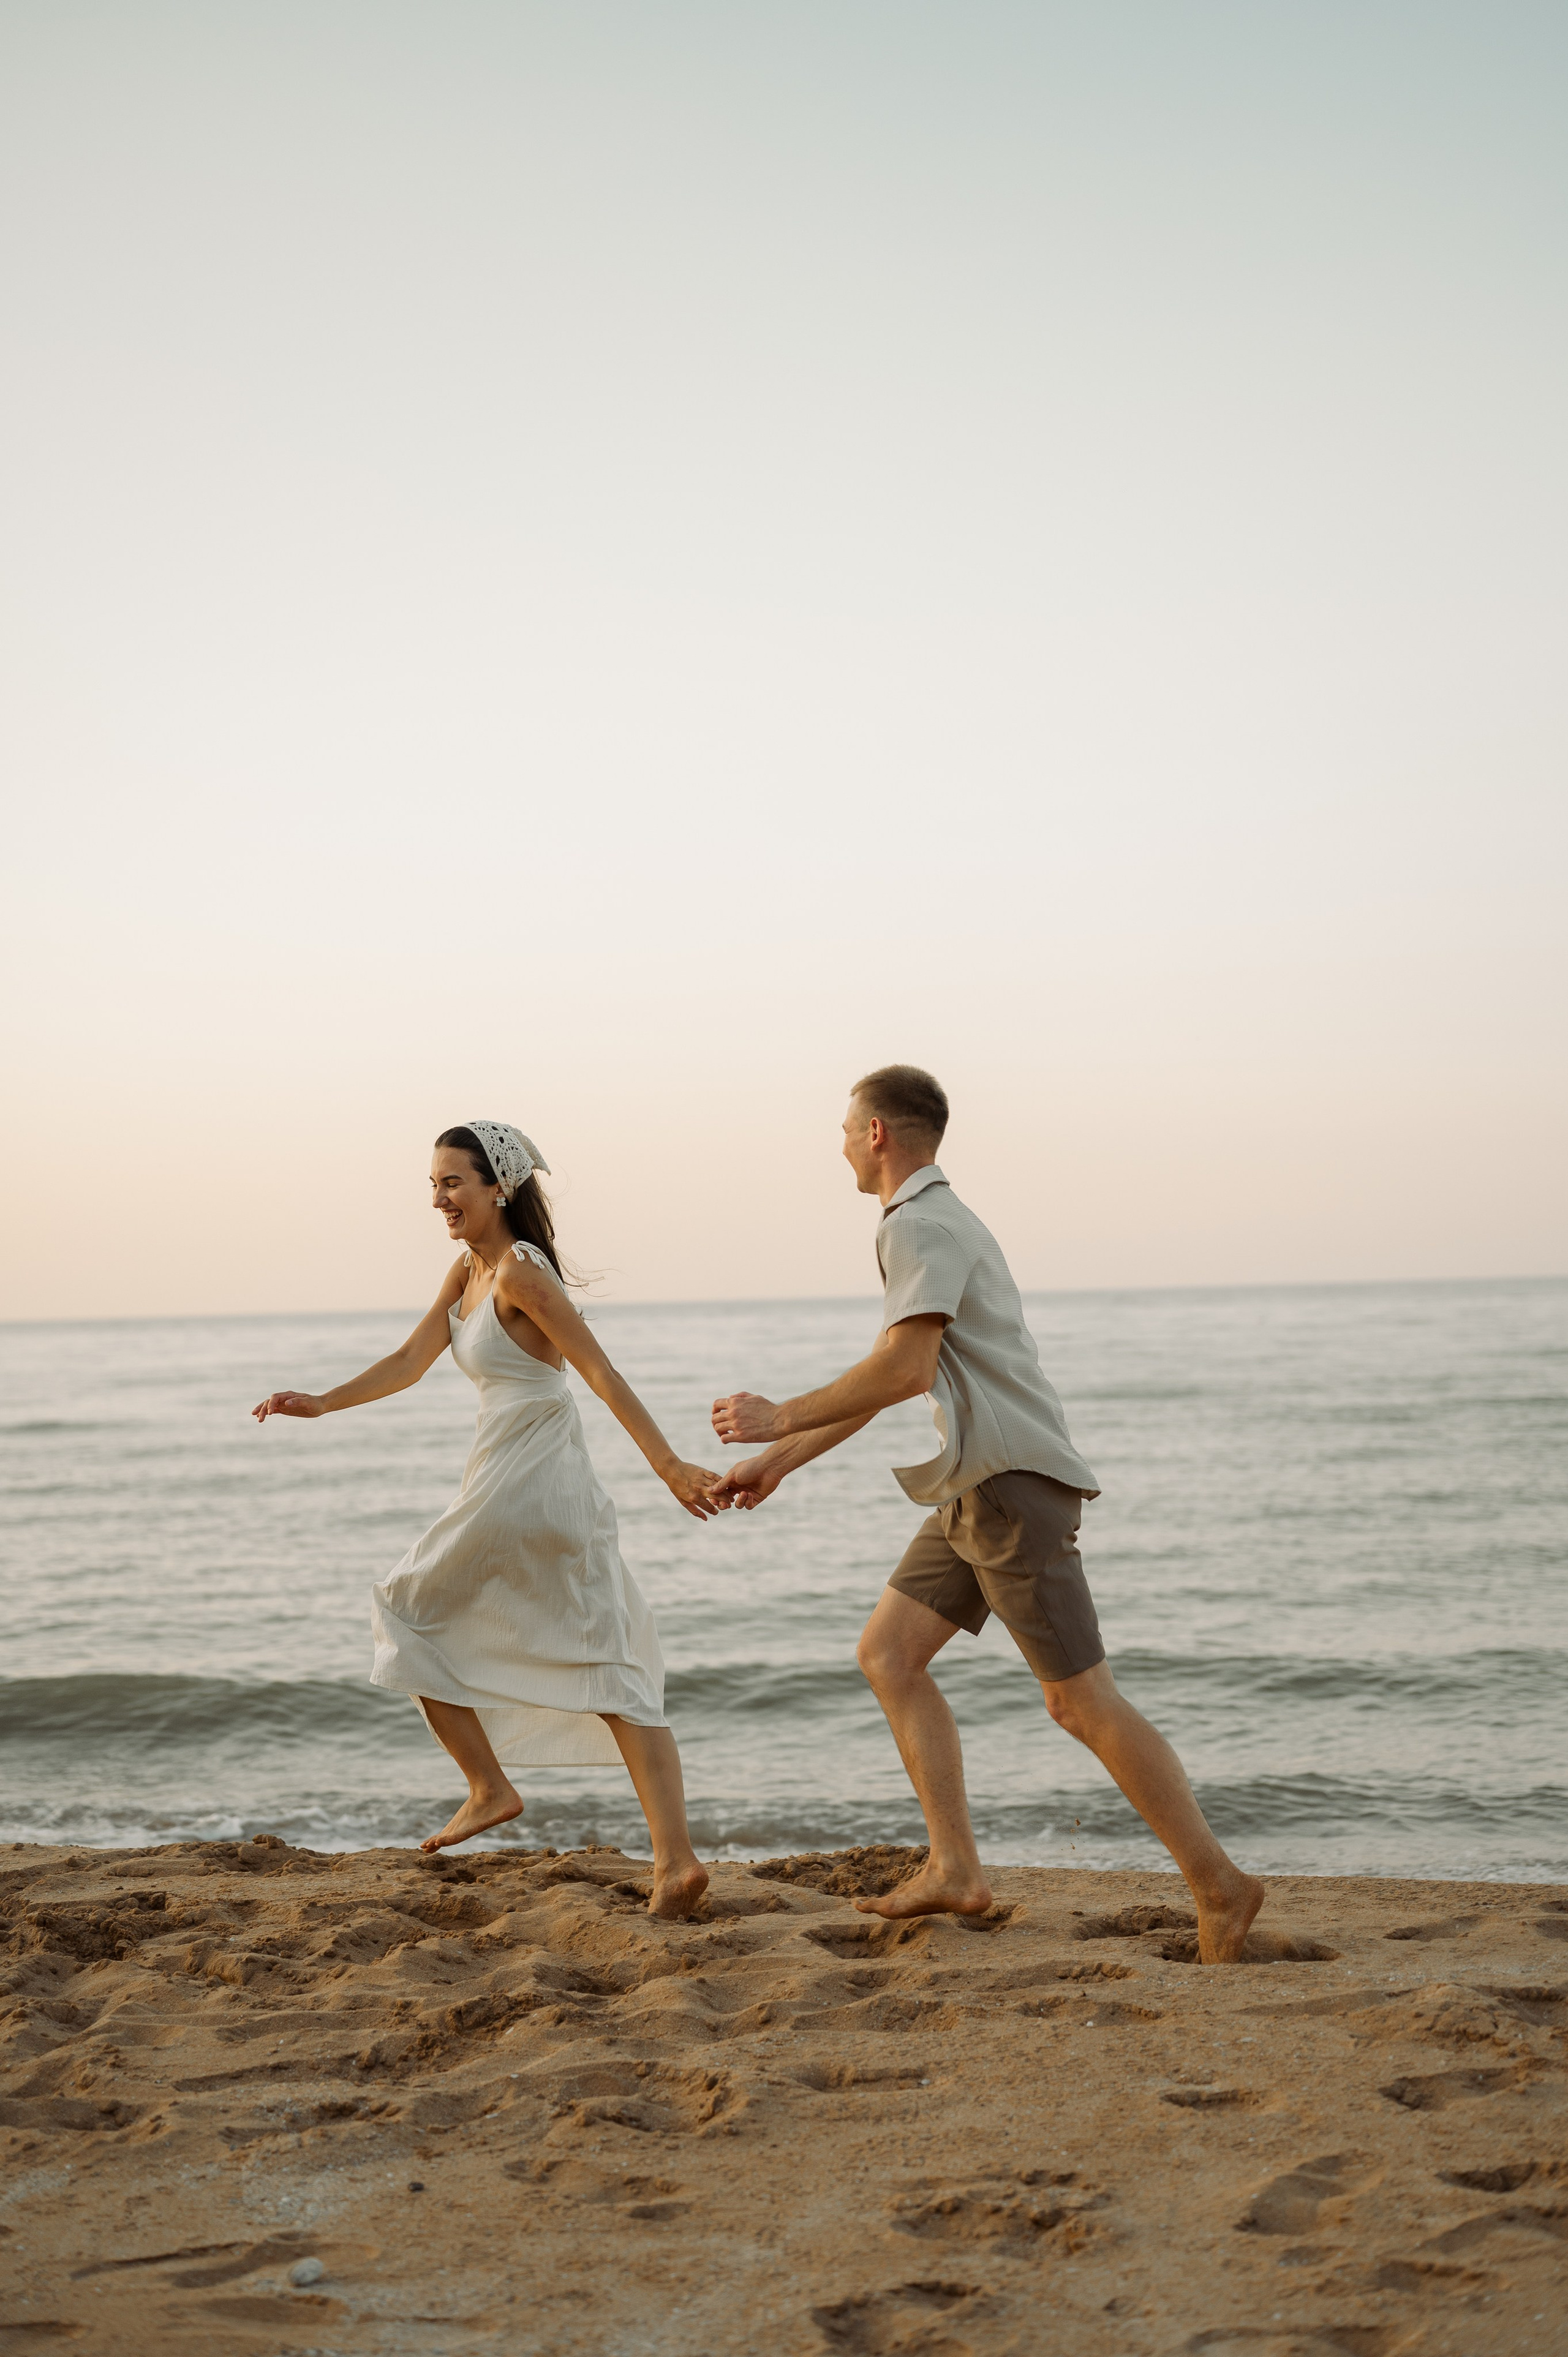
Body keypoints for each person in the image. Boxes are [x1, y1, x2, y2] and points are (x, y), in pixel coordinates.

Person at [710, 1066, 1264, 1963]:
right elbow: (900, 1368)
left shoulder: (920, 1222)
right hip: (978, 1482)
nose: (842, 1145)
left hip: (1006, 1485)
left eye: (847, 1129)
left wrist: (779, 1414)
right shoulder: (934, 1220)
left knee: (1080, 1703)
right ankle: (956, 1869)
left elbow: (903, 1374)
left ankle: (1221, 1886)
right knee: (889, 1655)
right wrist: (776, 1461)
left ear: (879, 1133)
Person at [254, 1119, 718, 1915]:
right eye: (433, 1185)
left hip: (532, 1477)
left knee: (406, 1607)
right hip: (525, 1480)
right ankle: (674, 1863)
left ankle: (489, 1786)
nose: (438, 1199)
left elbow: (598, 1372)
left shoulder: (522, 1273)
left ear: (498, 1187)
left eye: (452, 1183)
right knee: (610, 1666)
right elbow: (409, 1361)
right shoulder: (468, 1272)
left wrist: (669, 1465)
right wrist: (324, 1402)